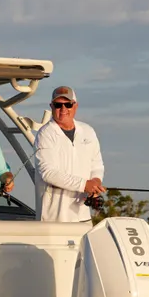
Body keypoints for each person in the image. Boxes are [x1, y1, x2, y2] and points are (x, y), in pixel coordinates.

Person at [34, 85, 106, 222]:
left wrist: (96, 181)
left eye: (68, 104)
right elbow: (47, 173)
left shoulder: (88, 131)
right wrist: (84, 185)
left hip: (83, 215)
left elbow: (97, 165)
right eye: (58, 105)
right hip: (53, 217)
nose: (63, 109)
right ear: (51, 106)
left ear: (75, 106)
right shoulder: (45, 134)